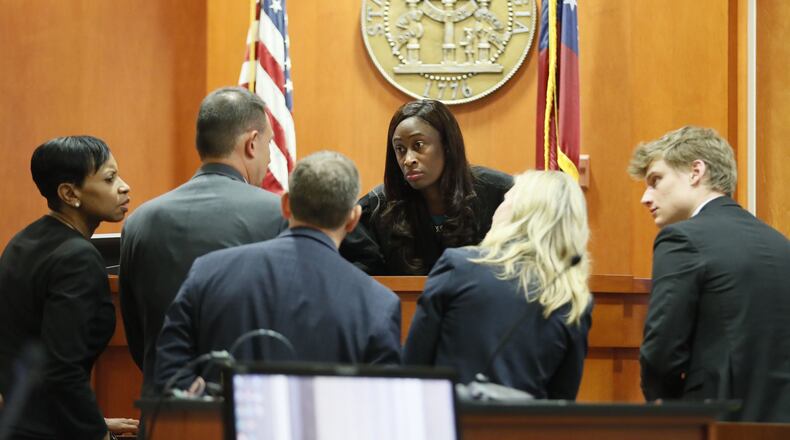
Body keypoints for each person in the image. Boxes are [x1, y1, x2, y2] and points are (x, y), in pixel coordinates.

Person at [154, 151, 401, 391]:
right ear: (353, 218)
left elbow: (170, 378)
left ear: (285, 205)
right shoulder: (378, 304)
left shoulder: (208, 271)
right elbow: (381, 406)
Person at [119, 87, 286, 396]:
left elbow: (137, 336)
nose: (268, 157)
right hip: (247, 409)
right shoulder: (278, 214)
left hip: (164, 410)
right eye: (269, 145)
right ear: (251, 143)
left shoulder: (140, 221)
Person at [628, 126, 790, 422]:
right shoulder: (781, 244)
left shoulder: (681, 239)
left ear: (695, 171)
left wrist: (668, 411)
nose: (645, 197)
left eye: (655, 180)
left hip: (716, 422)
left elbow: (662, 352)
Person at [404, 170, 593, 399]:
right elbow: (562, 401)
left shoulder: (459, 266)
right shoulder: (572, 297)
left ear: (519, 213)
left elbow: (412, 368)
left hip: (453, 424)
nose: (498, 208)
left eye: (505, 200)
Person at [0, 136, 138, 439]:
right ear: (69, 193)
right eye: (110, 178)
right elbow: (63, 370)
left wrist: (92, 421)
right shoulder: (78, 258)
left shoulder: (22, 241)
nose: (124, 186)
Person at [340, 99, 513, 275]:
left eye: (418, 145)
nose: (408, 160)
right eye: (400, 149)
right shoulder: (377, 207)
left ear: (446, 146)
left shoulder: (502, 195)